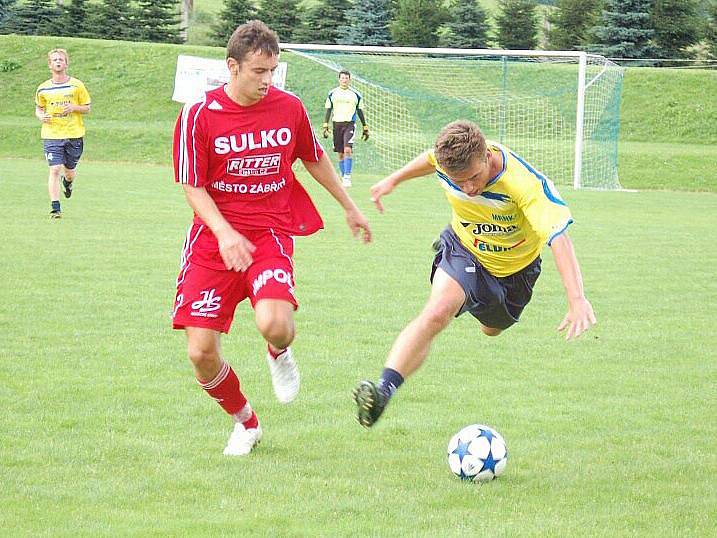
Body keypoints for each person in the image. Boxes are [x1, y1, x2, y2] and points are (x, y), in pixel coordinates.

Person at [172, 20, 371, 456]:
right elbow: (192, 184)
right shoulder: (198, 115)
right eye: (259, 72)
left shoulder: (289, 107)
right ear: (232, 66)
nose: (267, 81)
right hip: (213, 243)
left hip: (269, 235)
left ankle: (277, 353)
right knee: (201, 353)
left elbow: (314, 158)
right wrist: (223, 233)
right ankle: (246, 423)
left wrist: (348, 206)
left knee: (276, 326)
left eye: (273, 71)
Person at [353, 120, 596, 428]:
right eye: (459, 181)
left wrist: (577, 300)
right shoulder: (449, 163)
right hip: (465, 247)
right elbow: (430, 159)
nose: (468, 188)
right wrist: (394, 179)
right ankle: (383, 391)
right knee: (437, 312)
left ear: (486, 156)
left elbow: (559, 238)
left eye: (473, 178)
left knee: (491, 330)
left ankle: (468, 292)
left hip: (514, 271)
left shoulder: (523, 183)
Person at [34, 48, 91, 219]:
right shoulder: (43, 88)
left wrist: (74, 108)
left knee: (69, 171)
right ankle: (55, 208)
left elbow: (87, 108)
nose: (58, 62)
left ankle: (68, 183)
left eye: (61, 59)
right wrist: (40, 115)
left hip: (74, 133)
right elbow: (39, 107)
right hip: (51, 134)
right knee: (54, 169)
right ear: (49, 65)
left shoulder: (76, 85)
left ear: (66, 63)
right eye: (55, 60)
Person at [321, 70, 369, 188]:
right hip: (337, 125)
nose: (344, 80)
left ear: (349, 80)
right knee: (340, 153)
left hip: (349, 124)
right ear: (339, 79)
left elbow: (360, 111)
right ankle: (343, 177)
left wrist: (365, 126)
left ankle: (347, 177)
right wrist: (325, 125)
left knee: (348, 149)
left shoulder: (355, 95)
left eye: (346, 78)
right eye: (342, 78)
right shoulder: (332, 93)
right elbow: (328, 109)